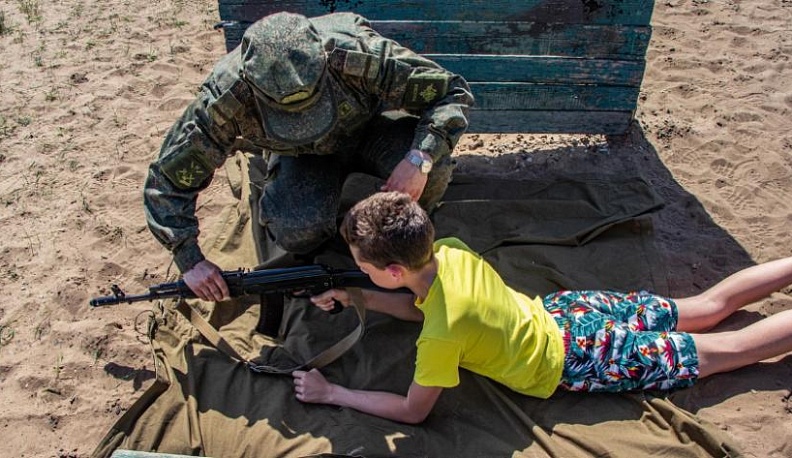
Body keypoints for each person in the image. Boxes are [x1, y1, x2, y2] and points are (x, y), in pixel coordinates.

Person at [292, 191, 792, 424]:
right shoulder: (449, 251)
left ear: (393, 271)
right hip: (567, 312)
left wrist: (332, 391)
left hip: (577, 356)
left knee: (727, 351)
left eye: (363, 267)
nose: (360, 271)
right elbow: (421, 307)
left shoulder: (442, 336)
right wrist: (361, 297)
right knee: (707, 305)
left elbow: (412, 410)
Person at [143, 12, 474, 302]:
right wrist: (191, 259)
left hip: (372, 130)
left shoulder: (358, 54)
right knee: (295, 228)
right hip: (302, 158)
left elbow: (450, 92)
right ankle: (333, 256)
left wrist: (418, 159)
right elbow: (166, 182)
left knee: (434, 168)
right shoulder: (225, 100)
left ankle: (408, 237)